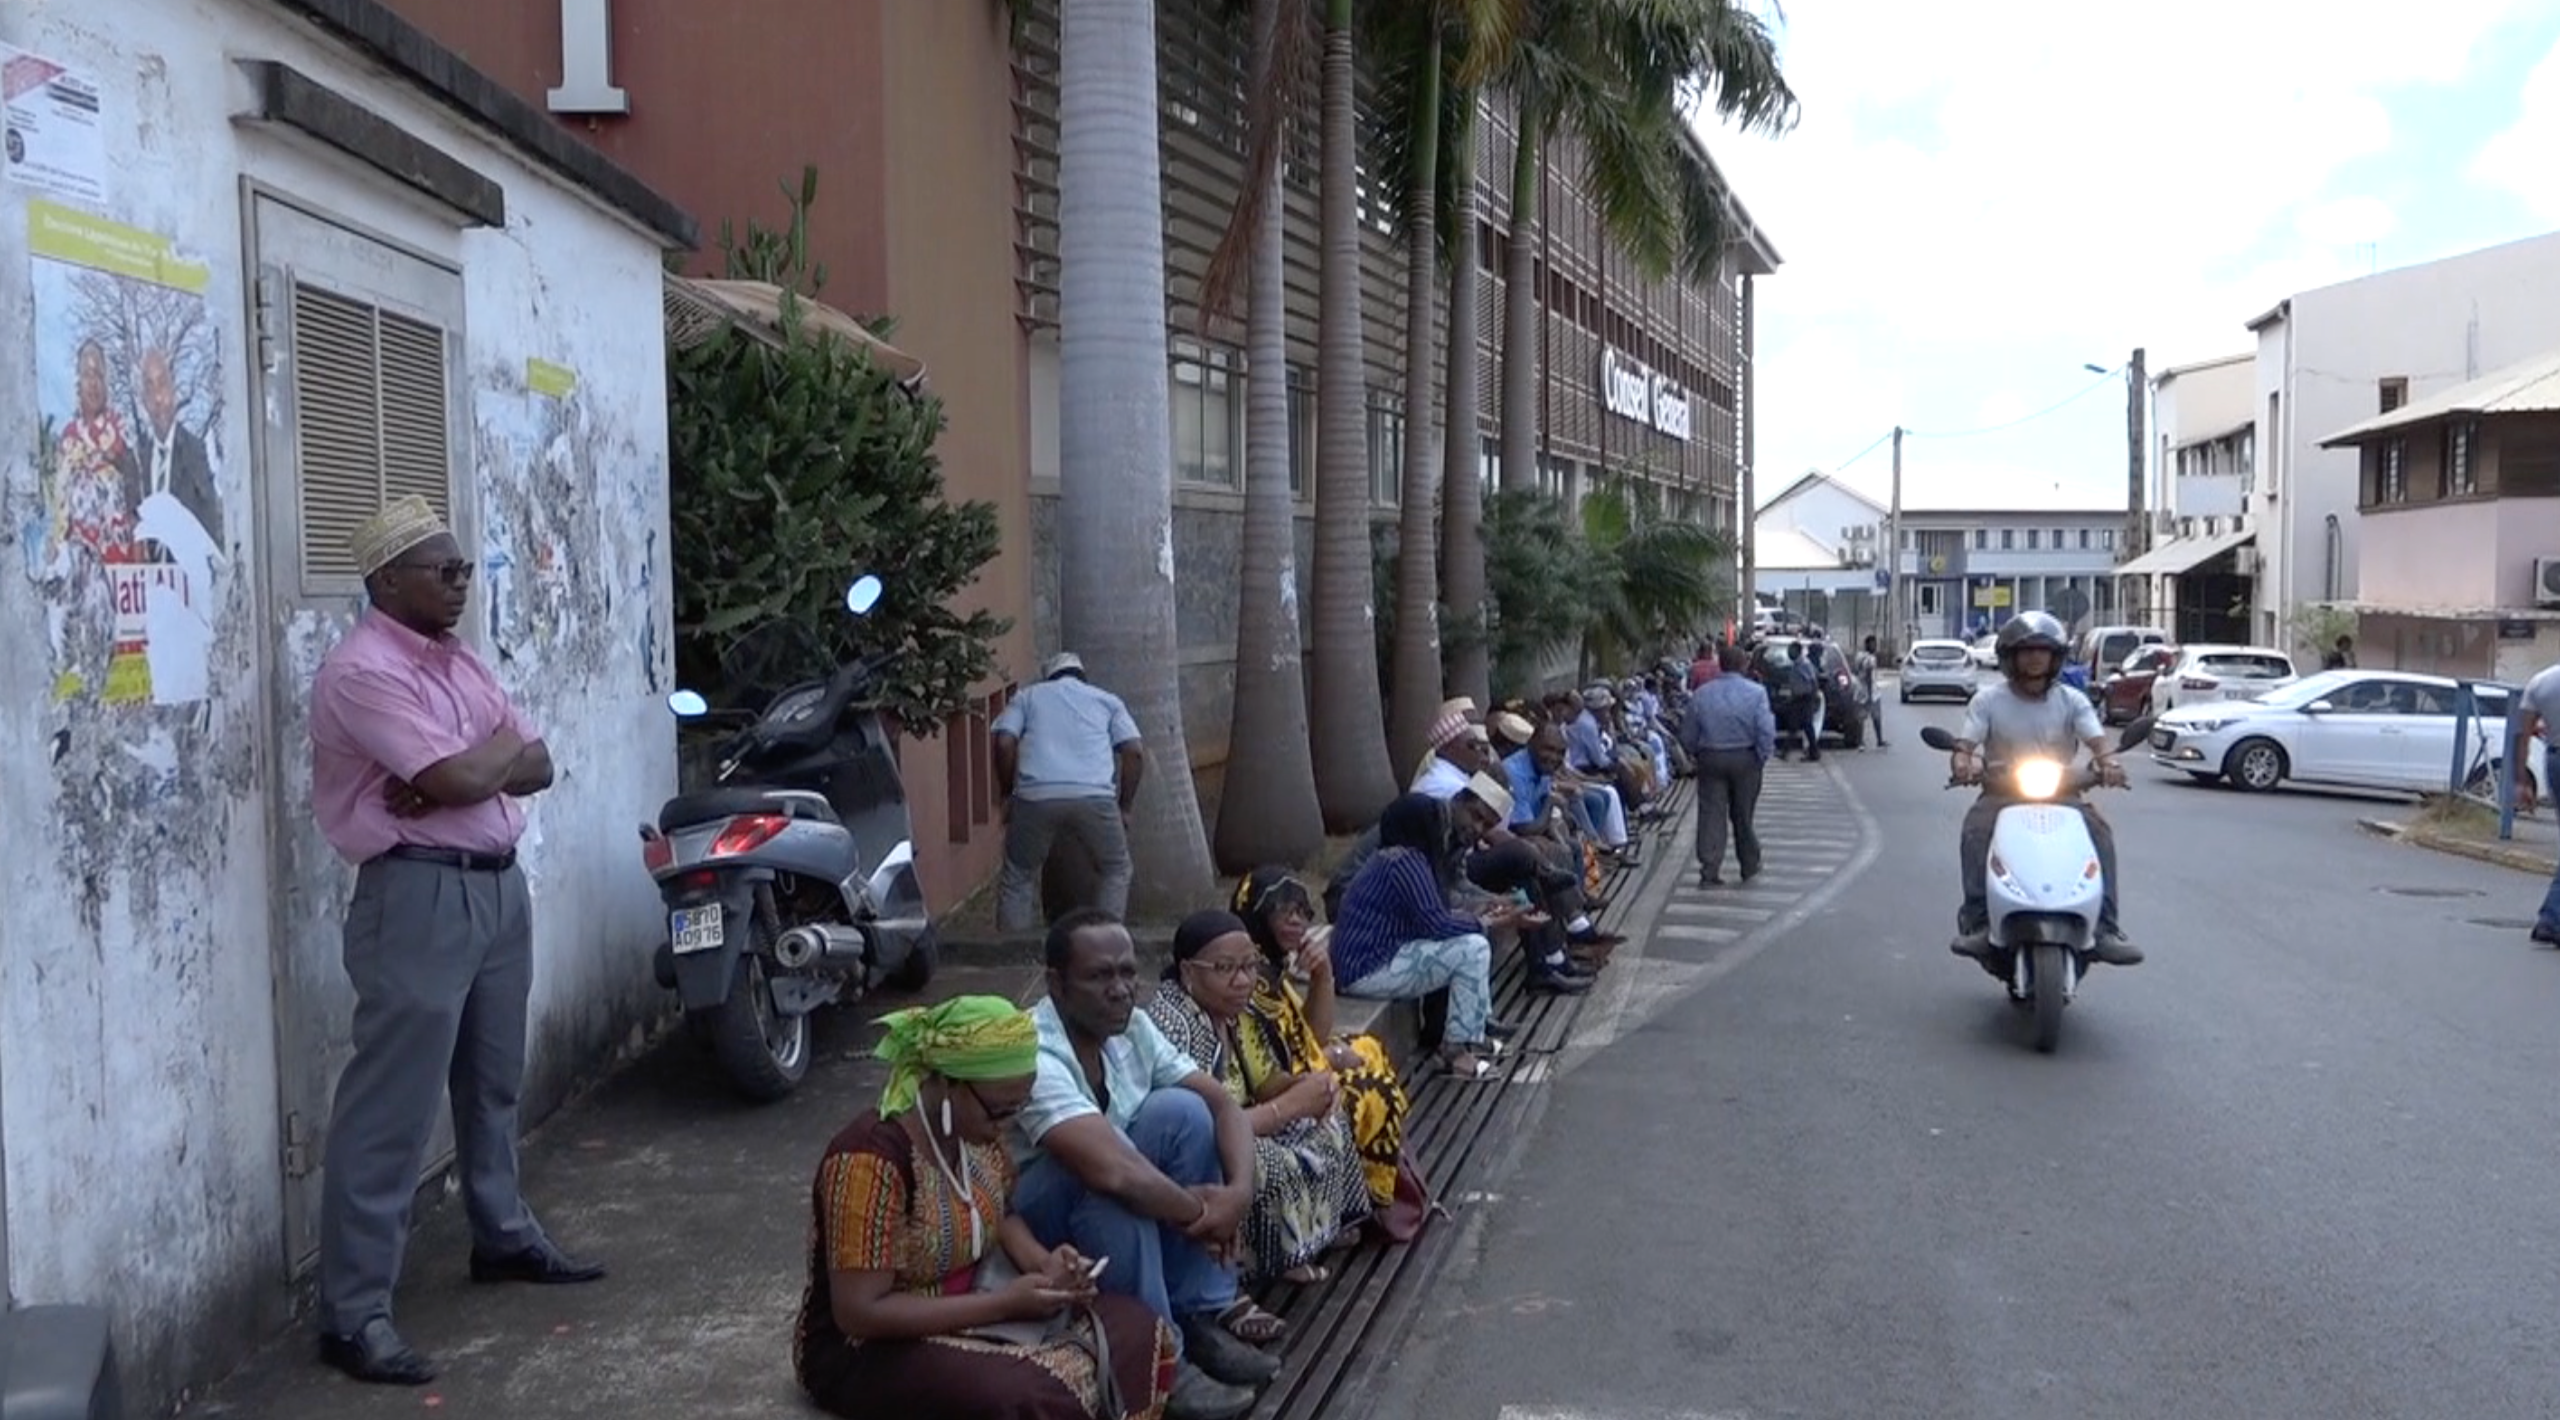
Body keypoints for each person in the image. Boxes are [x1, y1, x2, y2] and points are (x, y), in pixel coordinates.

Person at [305, 495, 602, 1386]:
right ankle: (354, 1313)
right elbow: (459, 771)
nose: (462, 581)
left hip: (496, 890)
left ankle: (502, 1234)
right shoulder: (363, 673)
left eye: (465, 567)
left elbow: (537, 761)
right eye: (445, 570)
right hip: (417, 898)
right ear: (387, 581)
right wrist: (471, 769)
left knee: (493, 1082)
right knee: (390, 1112)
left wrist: (484, 765)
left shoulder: (459, 661)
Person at [793, 996, 1178, 1420]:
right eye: (998, 1109)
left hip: (979, 1303)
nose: (1007, 1124)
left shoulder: (976, 1134)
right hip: (869, 1347)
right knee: (1025, 1396)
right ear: (947, 1084)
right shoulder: (870, 1156)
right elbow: (860, 1313)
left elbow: (1002, 1213)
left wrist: (1045, 1266)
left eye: (1019, 1107)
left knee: (1136, 1325)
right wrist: (1004, 1305)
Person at [1009, 909, 1276, 1418]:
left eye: (1128, 972)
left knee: (1185, 1111)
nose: (1120, 989)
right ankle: (1161, 1359)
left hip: (1114, 1180)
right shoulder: (1034, 1051)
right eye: (1099, 976)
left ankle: (1197, 1312)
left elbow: (1223, 1104)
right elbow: (1111, 1170)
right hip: (1039, 1210)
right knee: (1117, 1196)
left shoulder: (1132, 1028)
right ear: (1056, 983)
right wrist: (1202, 1217)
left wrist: (1237, 1195)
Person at [1145, 911, 1372, 1288]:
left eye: (1250, 966)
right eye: (1225, 968)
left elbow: (1265, 1081)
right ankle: (1266, 1262)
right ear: (1187, 971)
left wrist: (1306, 1086)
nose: (1243, 980)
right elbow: (1206, 1126)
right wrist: (1290, 1106)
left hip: (1247, 1118)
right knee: (1261, 1157)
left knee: (1329, 1111)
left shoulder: (1236, 1011)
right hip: (1204, 1146)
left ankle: (1319, 1231)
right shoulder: (1174, 1025)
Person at [1942, 611, 2144, 967]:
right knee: (1975, 829)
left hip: (2062, 791)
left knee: (2100, 832)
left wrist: (2109, 764)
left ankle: (2107, 928)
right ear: (2010, 657)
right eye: (2027, 650)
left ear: (2055, 657)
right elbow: (1967, 744)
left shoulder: (2071, 700)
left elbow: (2097, 741)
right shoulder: (1988, 700)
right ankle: (1978, 921)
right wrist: (1964, 763)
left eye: (2043, 650)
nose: (2035, 657)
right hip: (2001, 792)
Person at [1231, 869, 1412, 1212]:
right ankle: (1363, 1200)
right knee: (1374, 1087)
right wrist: (1325, 1059)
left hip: (1294, 1072)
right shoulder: (1246, 981)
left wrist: (1323, 977)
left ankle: (1366, 1180)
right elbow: (1270, 1074)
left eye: (1302, 913)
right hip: (1274, 1095)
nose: (1297, 922)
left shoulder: (1273, 970)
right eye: (1285, 913)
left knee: (1367, 1048)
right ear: (1257, 915)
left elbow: (1312, 1035)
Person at [1330, 794, 1519, 1080]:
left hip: (1379, 957)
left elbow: (1434, 913)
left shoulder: (1400, 857)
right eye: (1435, 821)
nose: (1442, 827)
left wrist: (1484, 915)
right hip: (1366, 969)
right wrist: (1487, 922)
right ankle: (1455, 1052)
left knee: (1470, 942)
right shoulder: (1405, 862)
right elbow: (1436, 924)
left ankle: (1472, 1033)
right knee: (1473, 948)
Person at [993, 653, 1144, 932]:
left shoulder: (1028, 697)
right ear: (1083, 677)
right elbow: (1133, 751)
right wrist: (1124, 806)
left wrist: (1007, 793)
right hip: (1096, 797)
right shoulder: (1106, 700)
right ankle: (1106, 938)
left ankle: (1010, 950)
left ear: (1048, 677)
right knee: (1115, 870)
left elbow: (1004, 743)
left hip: (1035, 796)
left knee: (1018, 876)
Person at [1681, 643, 1775, 888]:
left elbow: (1688, 733)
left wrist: (1695, 753)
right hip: (1745, 758)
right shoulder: (1756, 693)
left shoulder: (1702, 694)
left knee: (1711, 814)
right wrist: (1762, 756)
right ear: (1744, 664)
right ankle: (1749, 864)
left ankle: (1710, 868)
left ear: (1719, 664)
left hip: (1711, 757)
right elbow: (1765, 729)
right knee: (1743, 814)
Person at [2505, 662, 2560, 945]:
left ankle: (2552, 918)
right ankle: (2551, 918)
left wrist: (2521, 780)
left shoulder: (2541, 681)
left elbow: (2521, 734)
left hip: (2554, 760)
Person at [1856, 634, 1889, 748]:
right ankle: (1878, 740)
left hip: (1860, 690)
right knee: (1875, 716)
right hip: (1870, 691)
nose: (1875, 646)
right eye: (1873, 644)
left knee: (1861, 717)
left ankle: (1861, 742)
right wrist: (1870, 694)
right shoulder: (1870, 659)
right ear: (1868, 645)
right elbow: (1869, 676)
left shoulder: (1859, 656)